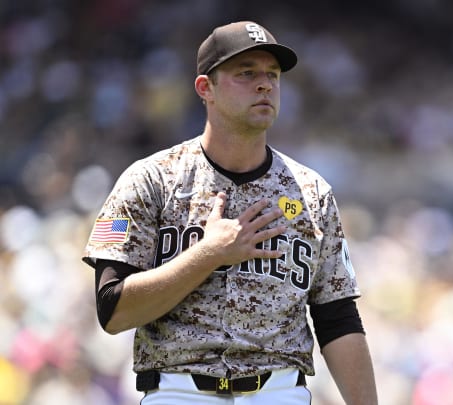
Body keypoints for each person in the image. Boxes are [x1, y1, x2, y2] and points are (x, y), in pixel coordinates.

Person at [82, 21, 378, 405]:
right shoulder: (150, 179)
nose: (264, 84)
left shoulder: (312, 193)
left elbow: (337, 317)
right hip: (179, 392)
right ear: (206, 88)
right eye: (246, 73)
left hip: (279, 392)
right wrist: (209, 254)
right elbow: (113, 311)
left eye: (272, 75)